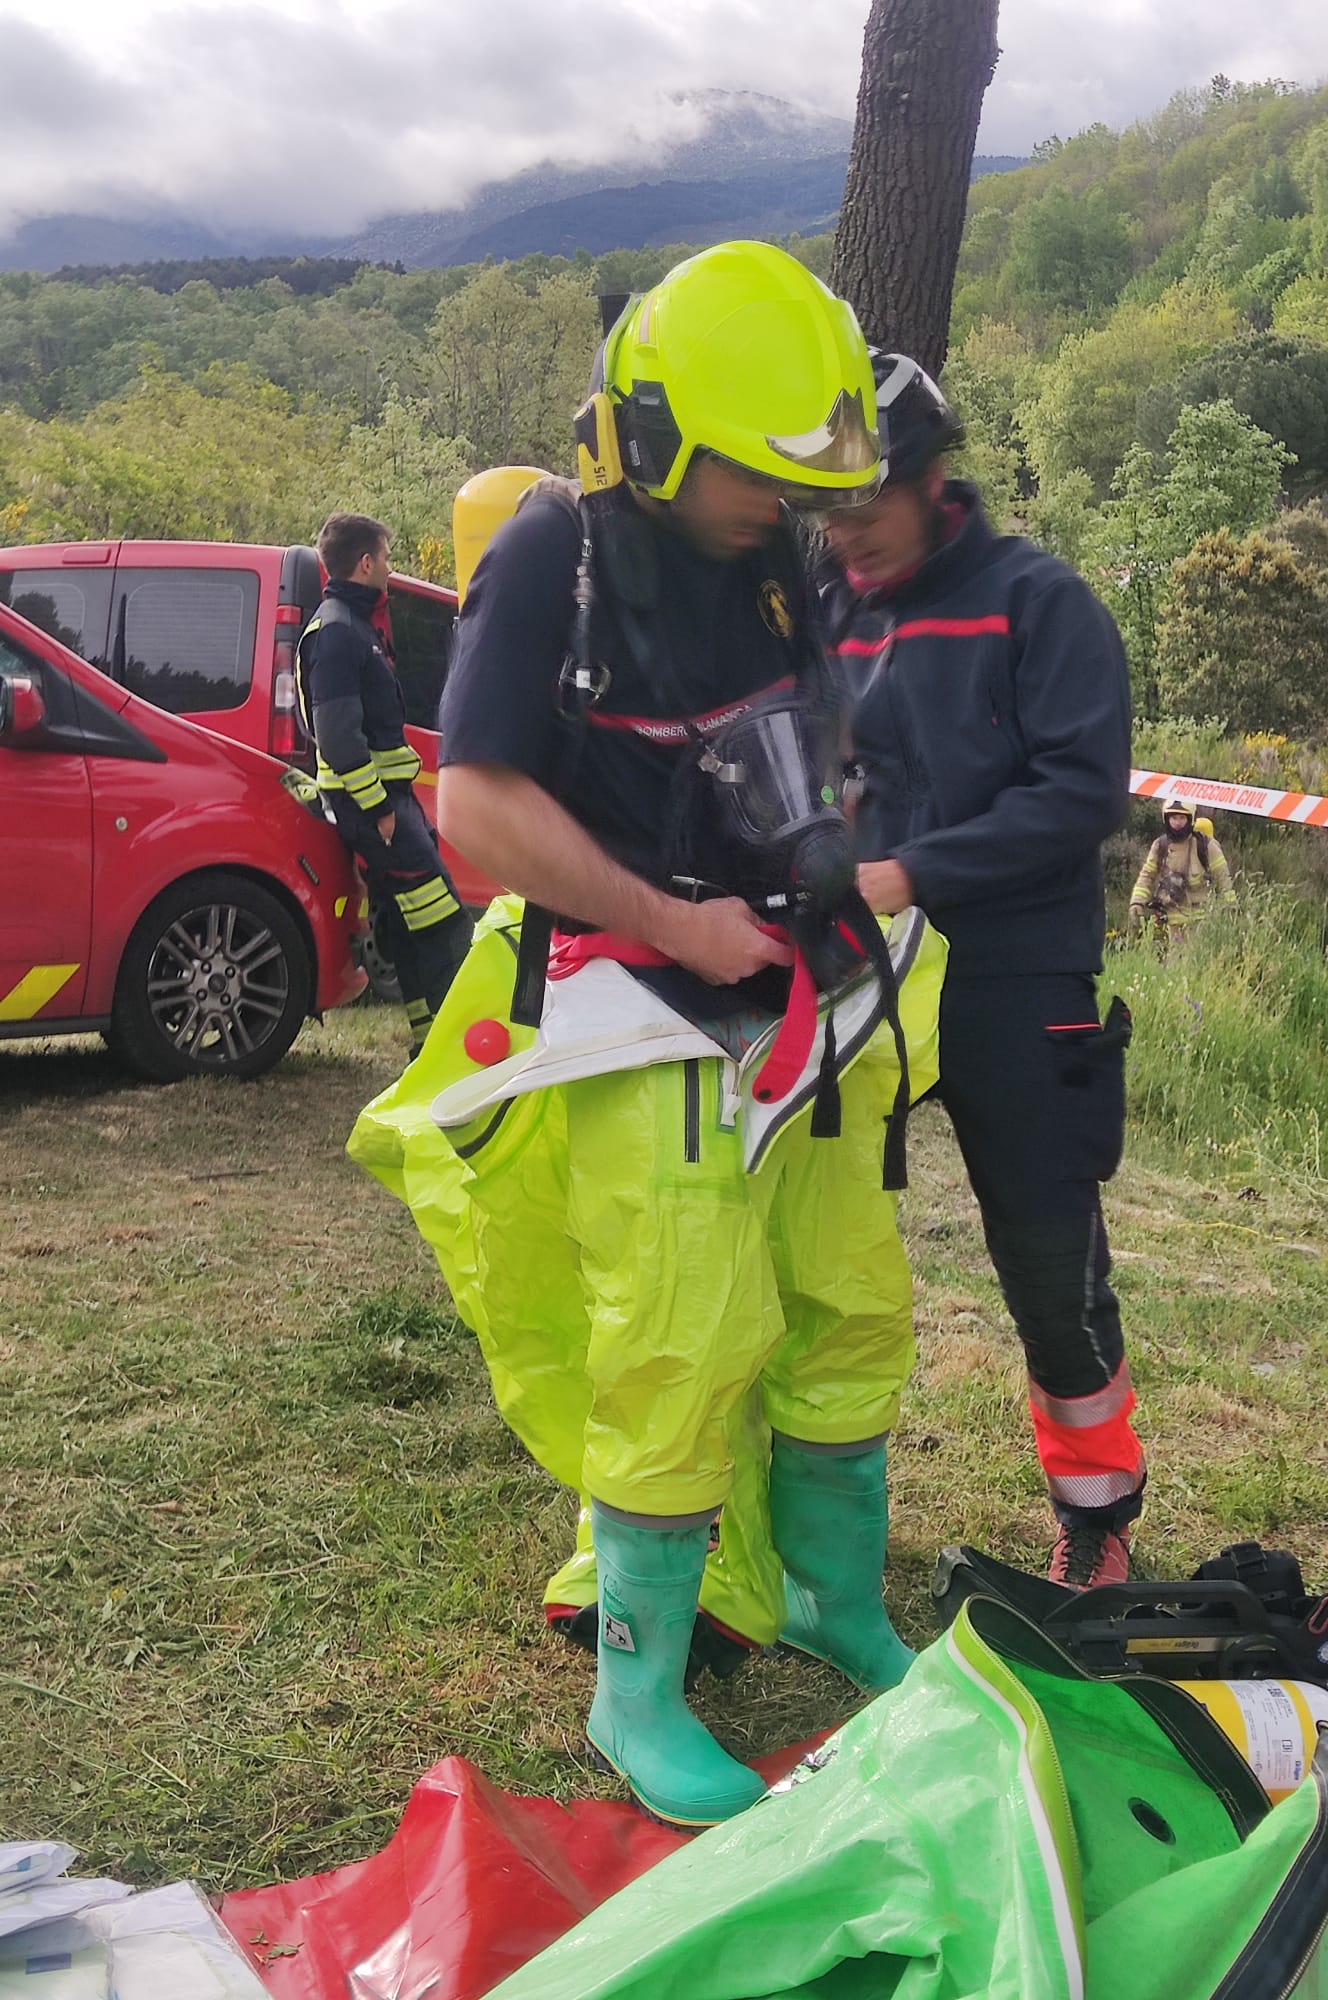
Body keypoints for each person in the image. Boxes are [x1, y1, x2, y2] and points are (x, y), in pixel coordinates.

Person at [429, 243, 941, 1829]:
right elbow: (478, 804)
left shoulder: (778, 550)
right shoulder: (551, 554)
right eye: (749, 474)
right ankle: (634, 1692)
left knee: (848, 1297)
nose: (774, 503)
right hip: (629, 998)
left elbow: (811, 738)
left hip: (799, 985)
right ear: (650, 434)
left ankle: (831, 1602)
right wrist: (673, 920)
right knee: (681, 1332)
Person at [819, 350, 1146, 1592]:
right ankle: (808, 1515)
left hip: (1016, 972)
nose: (846, 534)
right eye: (826, 510)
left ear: (933, 476)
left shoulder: (1039, 600)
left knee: (1050, 1265)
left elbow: (1082, 793)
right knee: (815, 1248)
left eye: (866, 504)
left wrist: (915, 872)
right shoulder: (830, 602)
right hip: (859, 970)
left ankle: (1097, 1517)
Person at [296, 513, 471, 1055]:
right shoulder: (338, 633)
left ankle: (428, 1043)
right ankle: (453, 1047)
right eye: (387, 559)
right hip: (377, 811)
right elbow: (339, 739)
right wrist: (379, 811)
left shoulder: (354, 625)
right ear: (366, 563)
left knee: (403, 924)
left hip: (391, 806)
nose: (391, 571)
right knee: (445, 924)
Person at [1128, 798, 1238, 948]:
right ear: (1166, 819)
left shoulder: (1206, 846)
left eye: (1181, 818)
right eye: (1173, 818)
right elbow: (1147, 875)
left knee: (1197, 963)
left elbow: (1222, 876)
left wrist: (1230, 905)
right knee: (1173, 966)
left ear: (1190, 819)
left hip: (1201, 919)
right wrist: (1137, 901)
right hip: (1170, 921)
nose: (1177, 822)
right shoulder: (1160, 846)